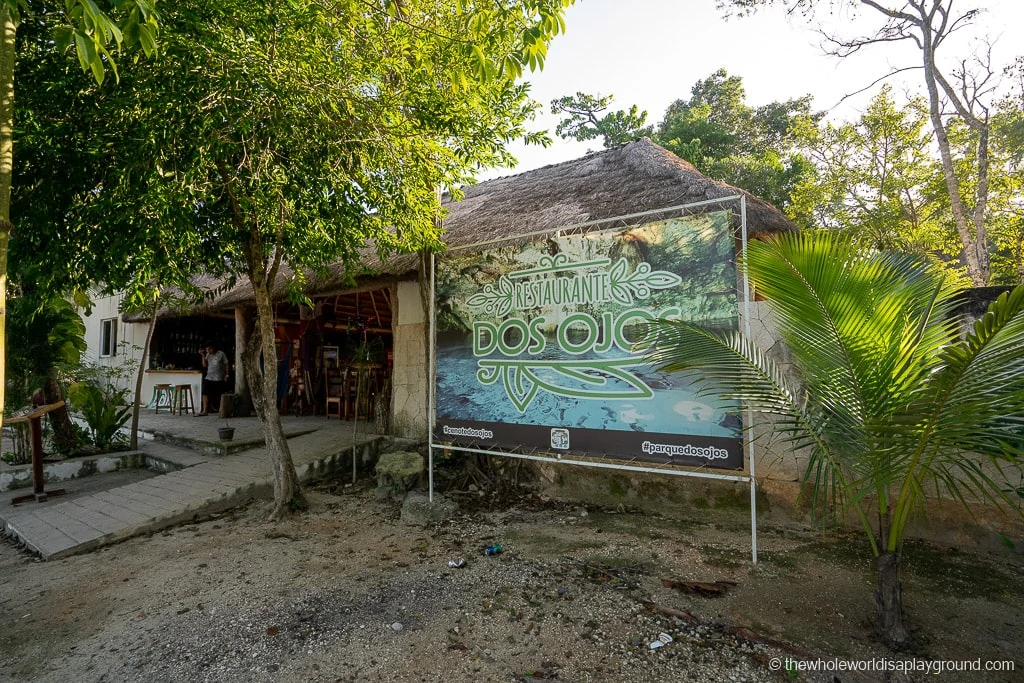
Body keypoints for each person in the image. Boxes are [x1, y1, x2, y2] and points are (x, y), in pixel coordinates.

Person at [197, 341, 230, 416]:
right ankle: (205, 410)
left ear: (214, 348)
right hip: (209, 377)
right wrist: (202, 355)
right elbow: (205, 365)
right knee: (205, 392)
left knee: (218, 394)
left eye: (210, 349)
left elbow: (227, 364)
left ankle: (221, 410)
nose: (208, 351)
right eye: (207, 350)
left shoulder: (221, 354)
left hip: (219, 378)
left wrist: (227, 375)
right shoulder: (208, 354)